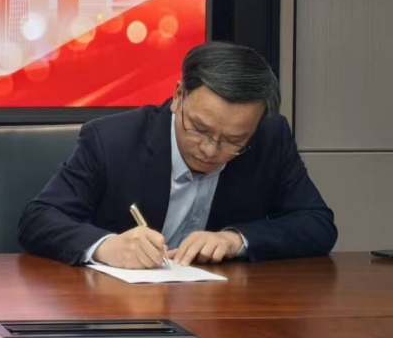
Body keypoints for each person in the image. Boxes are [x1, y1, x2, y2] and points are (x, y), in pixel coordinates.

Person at [18, 41, 336, 268]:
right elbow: (38, 219)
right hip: (119, 309)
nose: (210, 149)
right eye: (199, 128)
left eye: (234, 140)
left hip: (224, 311)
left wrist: (235, 240)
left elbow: (317, 224)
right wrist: (106, 246)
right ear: (178, 96)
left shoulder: (271, 137)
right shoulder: (112, 139)